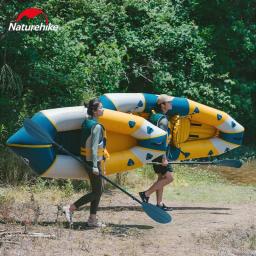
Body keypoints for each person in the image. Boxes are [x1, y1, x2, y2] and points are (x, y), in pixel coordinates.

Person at [63, 98, 107, 227]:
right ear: (94, 110)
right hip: (92, 162)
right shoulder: (96, 126)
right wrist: (94, 166)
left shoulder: (87, 122)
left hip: (86, 160)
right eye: (100, 108)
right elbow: (94, 148)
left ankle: (92, 219)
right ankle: (70, 208)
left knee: (98, 189)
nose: (103, 109)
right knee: (97, 192)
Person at [139, 94, 174, 210]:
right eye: (169, 102)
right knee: (169, 178)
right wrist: (164, 157)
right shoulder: (162, 119)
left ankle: (159, 203)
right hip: (160, 153)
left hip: (154, 153)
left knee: (161, 178)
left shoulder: (154, 117)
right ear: (163, 105)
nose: (171, 104)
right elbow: (162, 139)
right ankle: (146, 194)